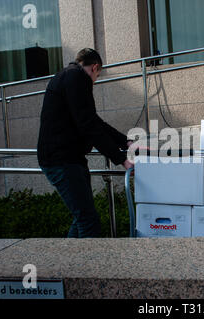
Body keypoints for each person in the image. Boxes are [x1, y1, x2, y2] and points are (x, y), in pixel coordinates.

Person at [37, 48, 134, 238]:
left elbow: (93, 121)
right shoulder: (77, 78)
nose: (95, 81)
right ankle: (89, 267)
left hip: (66, 158)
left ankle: (68, 264)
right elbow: (89, 125)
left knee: (82, 217)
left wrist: (126, 141)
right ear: (95, 67)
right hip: (62, 160)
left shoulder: (67, 76)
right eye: (97, 77)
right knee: (88, 221)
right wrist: (122, 159)